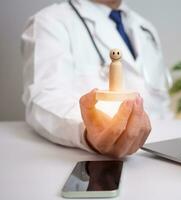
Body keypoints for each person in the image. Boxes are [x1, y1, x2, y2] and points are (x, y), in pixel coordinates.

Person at [21, 0, 172, 158]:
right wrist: (89, 131)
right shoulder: (50, 21)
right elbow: (44, 99)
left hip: (160, 152)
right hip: (96, 160)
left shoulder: (145, 27)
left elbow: (161, 98)